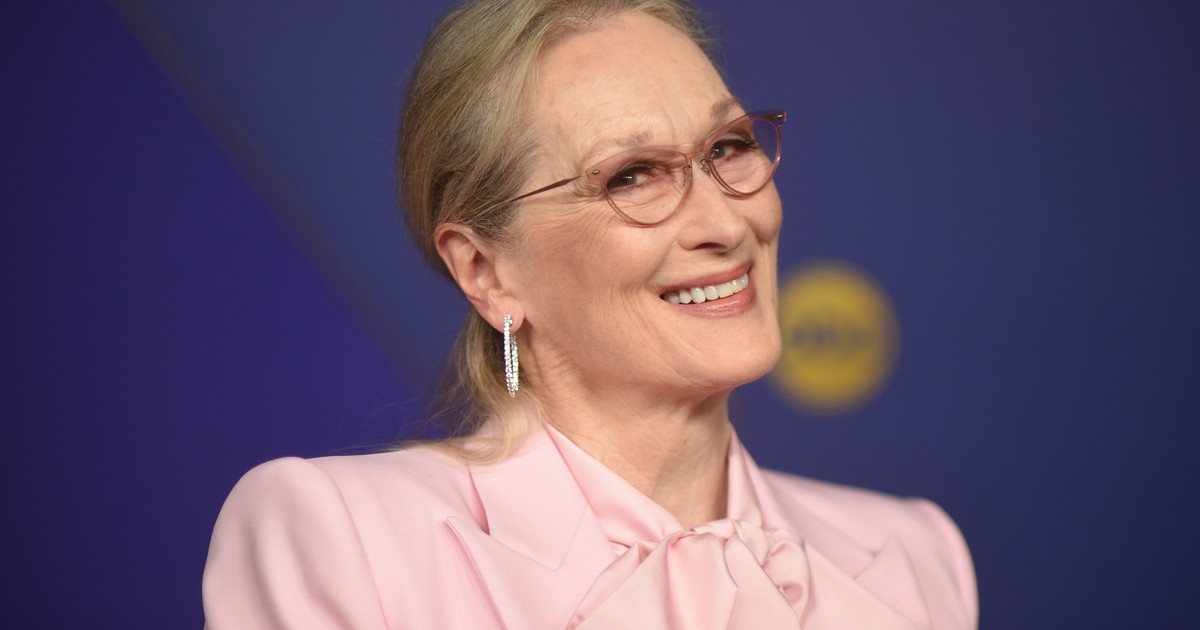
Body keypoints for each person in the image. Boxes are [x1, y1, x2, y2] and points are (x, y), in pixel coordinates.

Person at [202, 0, 978, 628]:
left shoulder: (916, 554)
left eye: (728, 147)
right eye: (633, 175)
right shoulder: (345, 541)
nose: (725, 222)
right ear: (485, 270)